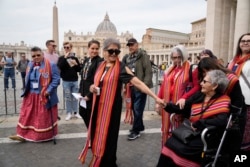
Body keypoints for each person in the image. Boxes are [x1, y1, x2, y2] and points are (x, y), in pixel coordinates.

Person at [79, 38, 164, 167]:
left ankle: (108, 162)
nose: (114, 53)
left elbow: (137, 82)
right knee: (97, 134)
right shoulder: (101, 65)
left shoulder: (121, 68)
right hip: (97, 107)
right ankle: (99, 156)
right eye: (111, 51)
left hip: (111, 109)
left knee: (110, 137)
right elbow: (96, 83)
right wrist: (92, 88)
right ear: (105, 51)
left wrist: (155, 97)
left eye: (116, 51)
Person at [157, 70, 230, 167]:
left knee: (184, 149)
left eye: (204, 82)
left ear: (215, 86)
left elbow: (221, 121)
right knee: (170, 143)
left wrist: (200, 123)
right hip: (191, 131)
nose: (201, 84)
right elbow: (182, 107)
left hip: (207, 135)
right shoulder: (199, 95)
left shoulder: (223, 100)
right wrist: (166, 105)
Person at [9, 46, 60, 142]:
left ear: (42, 54)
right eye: (33, 56)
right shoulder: (30, 65)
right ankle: (21, 134)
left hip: (43, 95)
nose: (36, 57)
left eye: (38, 55)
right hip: (31, 95)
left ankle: (43, 136)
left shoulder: (51, 65)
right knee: (26, 115)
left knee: (41, 117)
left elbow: (56, 80)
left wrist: (48, 91)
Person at [156, 45, 200, 146]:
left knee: (178, 129)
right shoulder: (170, 70)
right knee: (166, 128)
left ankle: (176, 151)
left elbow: (197, 87)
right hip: (168, 104)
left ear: (184, 56)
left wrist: (185, 97)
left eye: (179, 57)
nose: (177, 60)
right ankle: (166, 150)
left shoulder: (192, 69)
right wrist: (158, 102)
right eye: (174, 58)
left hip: (180, 105)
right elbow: (163, 86)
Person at [122, 38, 153, 140]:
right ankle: (140, 126)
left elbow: (148, 71)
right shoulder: (127, 57)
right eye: (129, 45)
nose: (130, 47)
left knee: (137, 109)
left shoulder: (143, 56)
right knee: (133, 108)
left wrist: (144, 86)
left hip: (139, 87)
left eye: (132, 45)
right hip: (130, 87)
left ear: (137, 45)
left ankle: (136, 131)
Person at [228, 32, 250, 151]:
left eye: (248, 41)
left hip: (247, 102)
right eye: (243, 41)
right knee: (233, 131)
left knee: (245, 134)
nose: (245, 42)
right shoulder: (233, 61)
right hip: (232, 101)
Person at [79, 39, 103, 128]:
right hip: (83, 93)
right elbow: (82, 78)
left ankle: (93, 135)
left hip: (92, 94)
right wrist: (79, 92)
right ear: (88, 48)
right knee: (82, 112)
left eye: (97, 49)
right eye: (92, 48)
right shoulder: (86, 60)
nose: (95, 51)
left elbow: (98, 81)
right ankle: (90, 132)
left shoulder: (100, 62)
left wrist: (89, 96)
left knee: (91, 116)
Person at [57, 42, 82, 121]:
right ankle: (68, 113)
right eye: (65, 47)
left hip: (74, 80)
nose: (66, 48)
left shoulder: (75, 58)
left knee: (75, 97)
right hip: (66, 81)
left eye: (68, 47)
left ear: (71, 48)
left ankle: (76, 112)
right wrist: (65, 58)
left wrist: (76, 64)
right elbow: (60, 66)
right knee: (68, 98)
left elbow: (79, 70)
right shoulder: (61, 58)